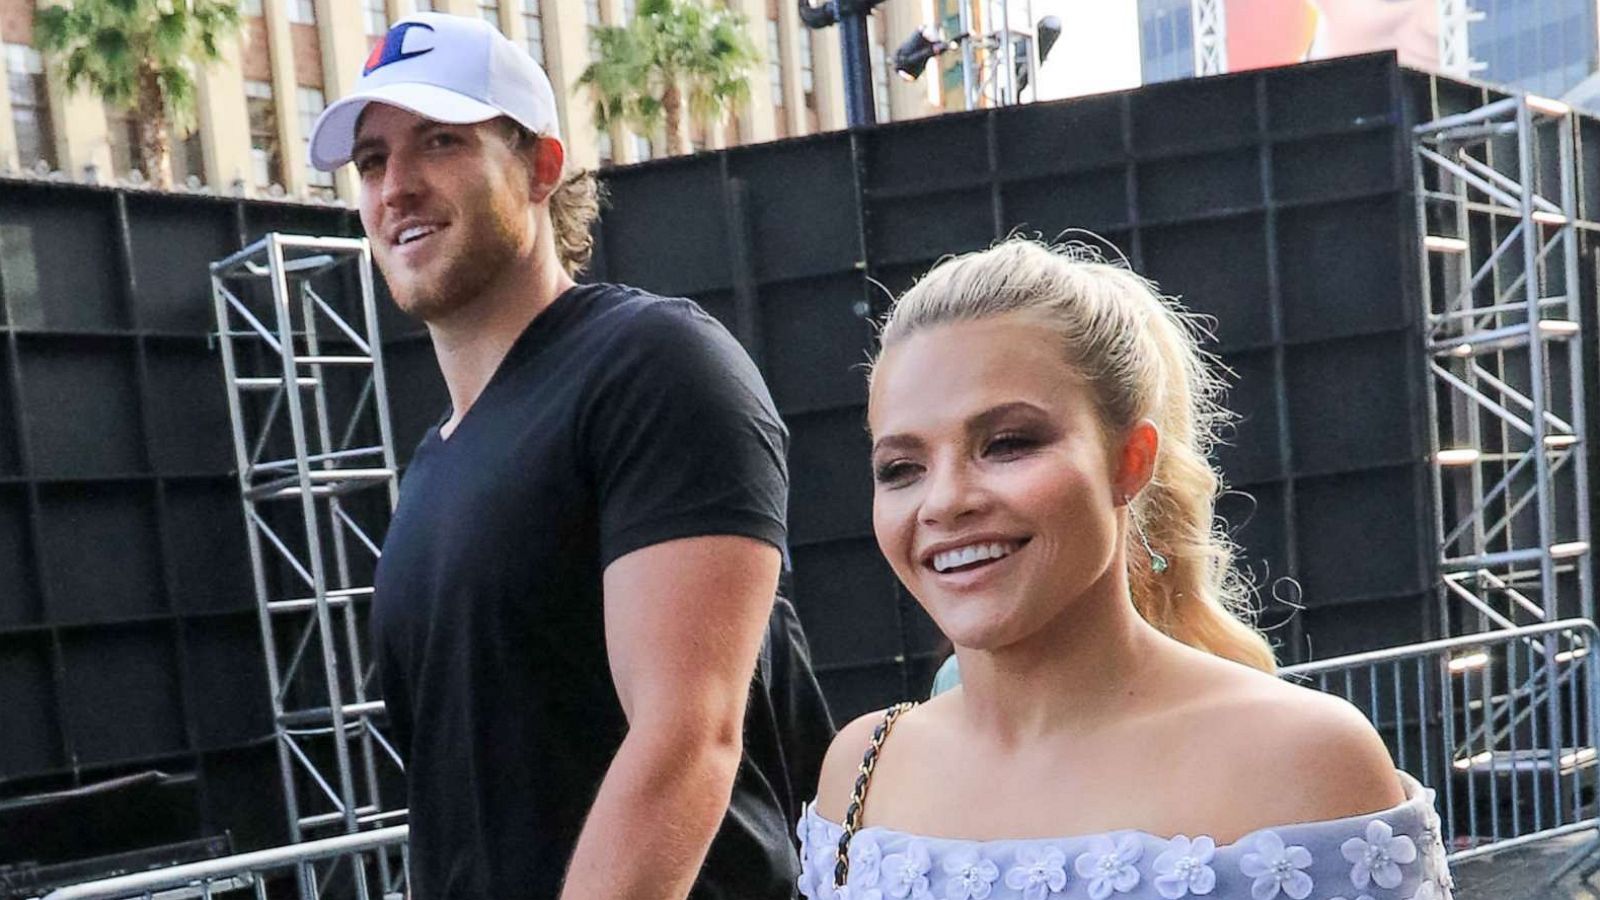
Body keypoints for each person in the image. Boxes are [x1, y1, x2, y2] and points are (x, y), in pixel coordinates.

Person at [306, 13, 829, 899]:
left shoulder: (653, 365)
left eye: (439, 142)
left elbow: (687, 738)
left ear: (543, 168)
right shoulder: (433, 464)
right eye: (371, 161)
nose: (396, 186)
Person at [796, 238, 1454, 900]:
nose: (944, 501)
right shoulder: (863, 769)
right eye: (902, 468)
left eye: (1008, 444)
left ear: (1130, 460)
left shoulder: (1301, 760)